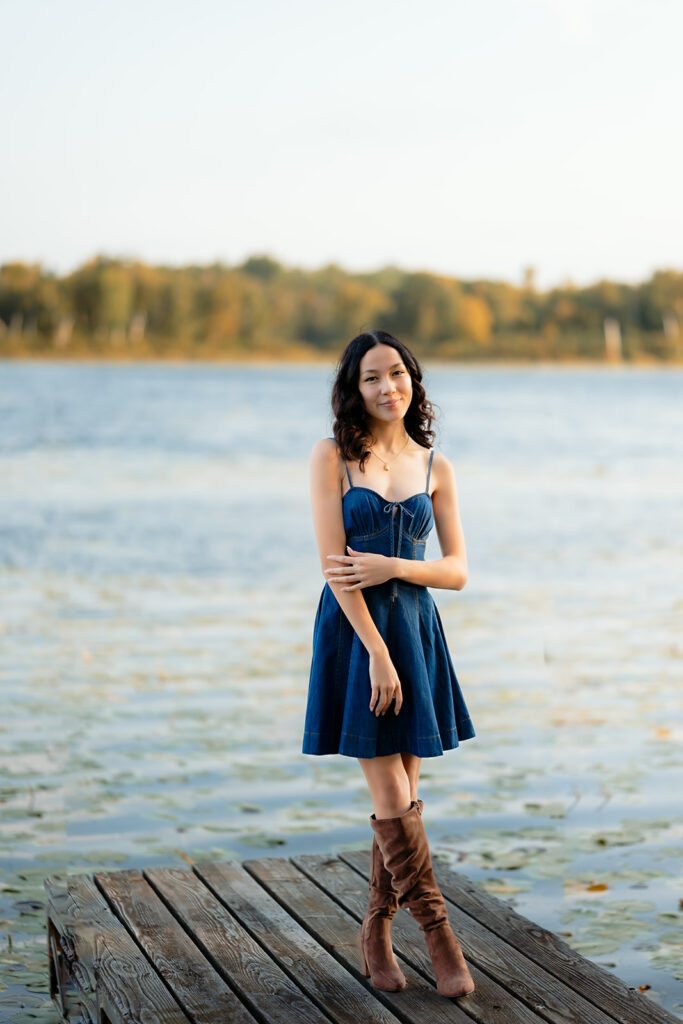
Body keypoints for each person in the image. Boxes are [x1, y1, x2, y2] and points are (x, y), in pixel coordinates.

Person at [302, 328, 476, 999]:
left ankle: (374, 926)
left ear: (413, 380)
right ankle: (439, 935)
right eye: (371, 378)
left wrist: (398, 566)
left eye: (395, 374)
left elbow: (457, 571)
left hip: (417, 631)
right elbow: (333, 567)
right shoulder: (332, 457)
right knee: (391, 795)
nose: (386, 388)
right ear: (354, 388)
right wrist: (374, 652)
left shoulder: (436, 466)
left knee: (401, 790)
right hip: (357, 637)